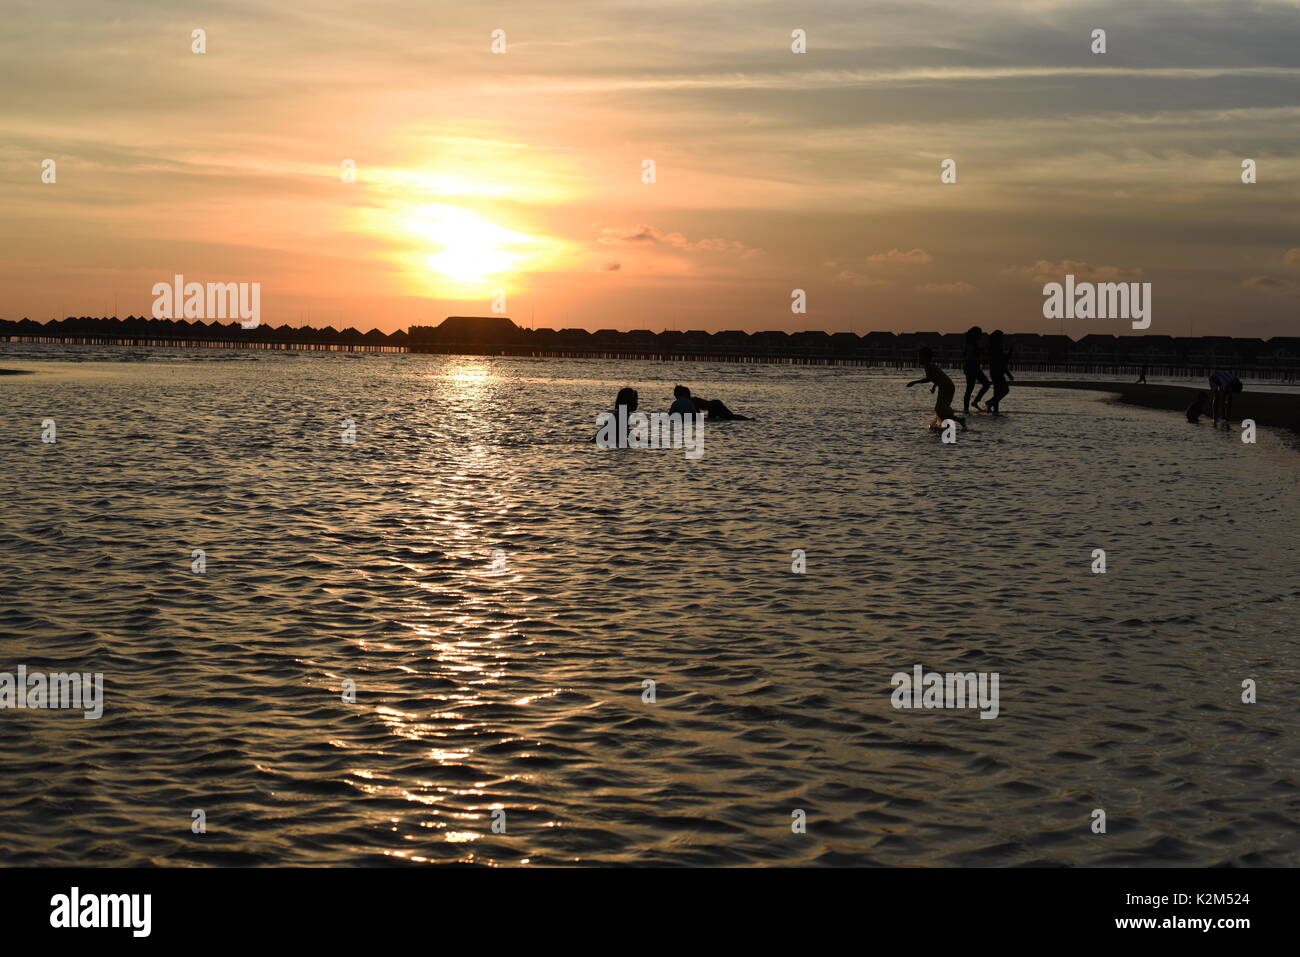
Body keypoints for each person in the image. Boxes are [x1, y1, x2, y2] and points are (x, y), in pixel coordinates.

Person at [906, 347, 967, 431]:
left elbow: (928, 379)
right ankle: (948, 424)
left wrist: (914, 382)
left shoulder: (929, 366)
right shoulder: (930, 366)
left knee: (940, 409)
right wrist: (934, 387)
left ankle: (958, 421)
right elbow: (938, 378)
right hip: (946, 387)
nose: (918, 359)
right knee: (940, 409)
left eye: (920, 357)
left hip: (946, 388)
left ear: (926, 358)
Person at [961, 326, 991, 413]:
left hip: (973, 367)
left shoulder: (973, 344)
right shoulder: (971, 344)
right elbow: (971, 354)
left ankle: (969, 406)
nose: (980, 335)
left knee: (971, 388)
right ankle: (969, 406)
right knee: (984, 385)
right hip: (972, 367)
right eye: (979, 333)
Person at [986, 330, 1014, 415]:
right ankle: (990, 403)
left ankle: (995, 410)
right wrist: (1008, 374)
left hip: (994, 372)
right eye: (1002, 337)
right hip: (998, 372)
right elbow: (1004, 361)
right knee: (1005, 390)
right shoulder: (997, 348)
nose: (1003, 338)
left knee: (997, 391)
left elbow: (1003, 360)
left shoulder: (993, 347)